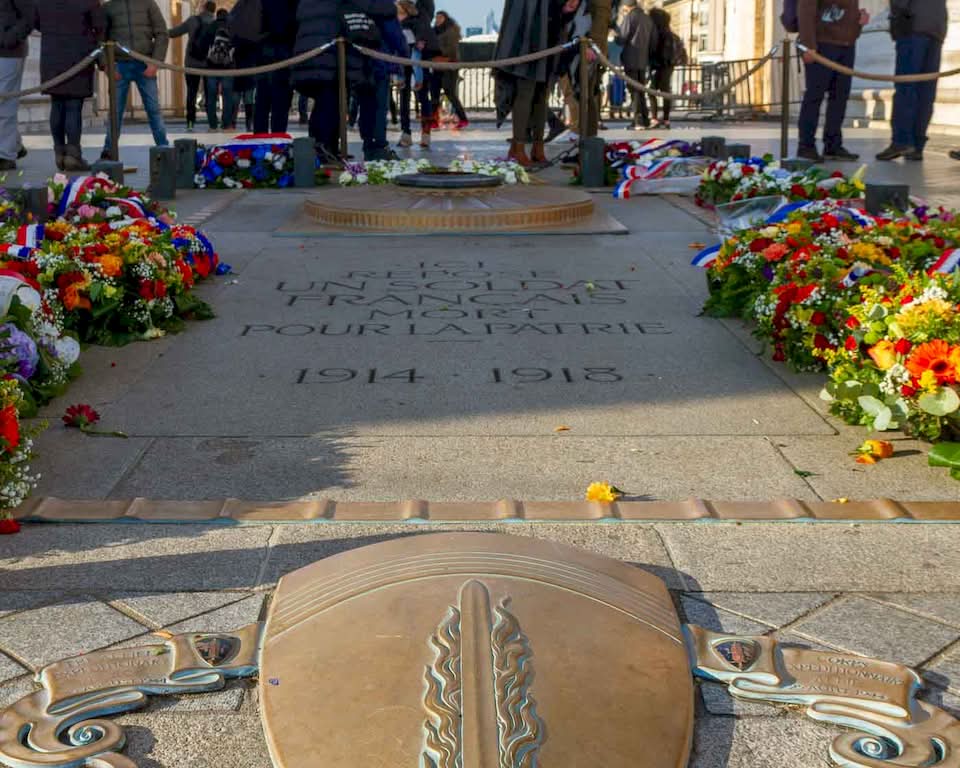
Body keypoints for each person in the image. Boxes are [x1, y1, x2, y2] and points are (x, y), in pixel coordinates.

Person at [293, 0, 397, 160]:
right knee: (329, 102)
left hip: (308, 51)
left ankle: (326, 150)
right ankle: (323, 152)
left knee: (325, 103)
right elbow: (382, 8)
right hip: (331, 55)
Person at [494, 0, 574, 166]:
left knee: (541, 96)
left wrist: (565, 9)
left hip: (550, 40)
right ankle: (519, 147)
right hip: (529, 43)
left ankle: (537, 147)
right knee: (525, 94)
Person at [34, 0, 104, 171]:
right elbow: (100, 25)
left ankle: (59, 153)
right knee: (73, 106)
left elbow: (36, 21)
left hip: (52, 55)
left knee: (57, 104)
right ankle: (73, 155)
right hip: (78, 55)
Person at [796, 0, 869, 162]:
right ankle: (806, 146)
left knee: (840, 97)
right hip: (822, 45)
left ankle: (833, 145)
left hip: (847, 45)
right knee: (815, 96)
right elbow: (806, 9)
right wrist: (808, 45)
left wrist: (859, 22)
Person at [876, 0, 948, 161]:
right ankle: (917, 144)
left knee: (906, 87)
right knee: (926, 92)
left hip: (914, 25)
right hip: (936, 27)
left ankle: (902, 141)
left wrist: (895, 17)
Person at [101, 0, 169, 160]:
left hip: (145, 63)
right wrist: (106, 66)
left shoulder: (148, 4)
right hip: (119, 64)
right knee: (115, 112)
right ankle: (108, 152)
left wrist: (155, 62)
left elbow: (162, 33)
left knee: (153, 110)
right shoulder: (108, 7)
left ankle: (164, 150)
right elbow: (100, 39)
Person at [357, 10, 407, 159]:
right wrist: (402, 58)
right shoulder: (383, 9)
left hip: (359, 64)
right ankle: (379, 146)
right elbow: (397, 39)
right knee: (379, 108)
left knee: (365, 107)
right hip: (380, 65)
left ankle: (368, 144)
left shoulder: (356, 6)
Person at [397, 0, 440, 148]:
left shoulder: (423, 7)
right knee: (406, 95)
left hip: (419, 51)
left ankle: (423, 133)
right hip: (406, 51)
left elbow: (425, 21)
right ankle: (408, 132)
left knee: (421, 94)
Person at [169, 0, 215, 132]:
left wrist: (159, 32)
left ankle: (190, 122)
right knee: (210, 94)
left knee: (192, 93)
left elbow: (174, 32)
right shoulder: (215, 23)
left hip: (191, 62)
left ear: (203, 8)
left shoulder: (192, 20)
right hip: (209, 64)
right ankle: (212, 123)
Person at [253, 0, 298, 133]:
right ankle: (277, 138)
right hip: (284, 50)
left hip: (264, 50)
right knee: (281, 102)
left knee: (262, 99)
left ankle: (260, 137)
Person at [0, 0, 33, 172]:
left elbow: (31, 14)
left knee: (5, 103)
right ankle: (14, 145)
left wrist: (10, 38)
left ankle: (6, 155)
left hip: (9, 53)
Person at [615, 0, 655, 129]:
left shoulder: (630, 17)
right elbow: (653, 40)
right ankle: (645, 118)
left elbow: (622, 37)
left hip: (630, 58)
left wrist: (616, 36)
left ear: (626, 6)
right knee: (641, 90)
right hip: (643, 59)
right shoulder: (647, 18)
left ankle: (638, 120)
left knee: (634, 91)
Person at [197, 9, 234, 130]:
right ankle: (226, 123)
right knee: (227, 96)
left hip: (211, 66)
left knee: (211, 96)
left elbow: (202, 45)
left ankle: (213, 124)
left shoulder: (210, 27)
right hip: (228, 67)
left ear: (216, 16)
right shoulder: (231, 27)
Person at [431, 11, 468, 129]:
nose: (437, 20)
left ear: (445, 18)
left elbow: (451, 50)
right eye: (436, 17)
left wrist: (437, 53)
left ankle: (463, 118)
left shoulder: (451, 31)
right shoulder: (434, 31)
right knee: (434, 92)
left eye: (440, 17)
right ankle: (433, 120)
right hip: (437, 65)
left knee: (449, 92)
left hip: (449, 65)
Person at [648, 7, 680, 128]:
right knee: (665, 92)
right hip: (668, 66)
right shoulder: (671, 35)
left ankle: (654, 118)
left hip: (658, 65)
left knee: (651, 91)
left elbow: (655, 50)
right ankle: (666, 118)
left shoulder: (657, 34)